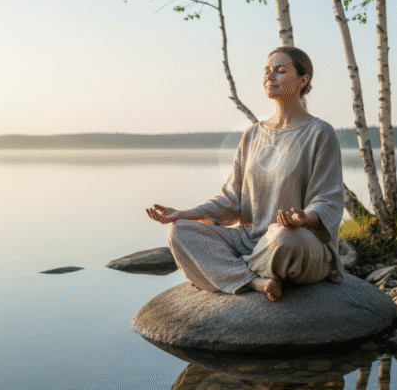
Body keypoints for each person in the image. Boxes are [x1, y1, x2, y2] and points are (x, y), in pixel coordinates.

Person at [145, 46, 345, 302]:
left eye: (280, 71)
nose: (269, 77)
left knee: (283, 238)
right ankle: (255, 281)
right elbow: (231, 200)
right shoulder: (252, 135)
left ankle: (220, 272)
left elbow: (328, 200)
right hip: (251, 240)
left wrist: (304, 219)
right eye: (266, 71)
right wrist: (183, 214)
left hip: (297, 242)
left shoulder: (320, 133)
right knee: (180, 232)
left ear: (303, 81)